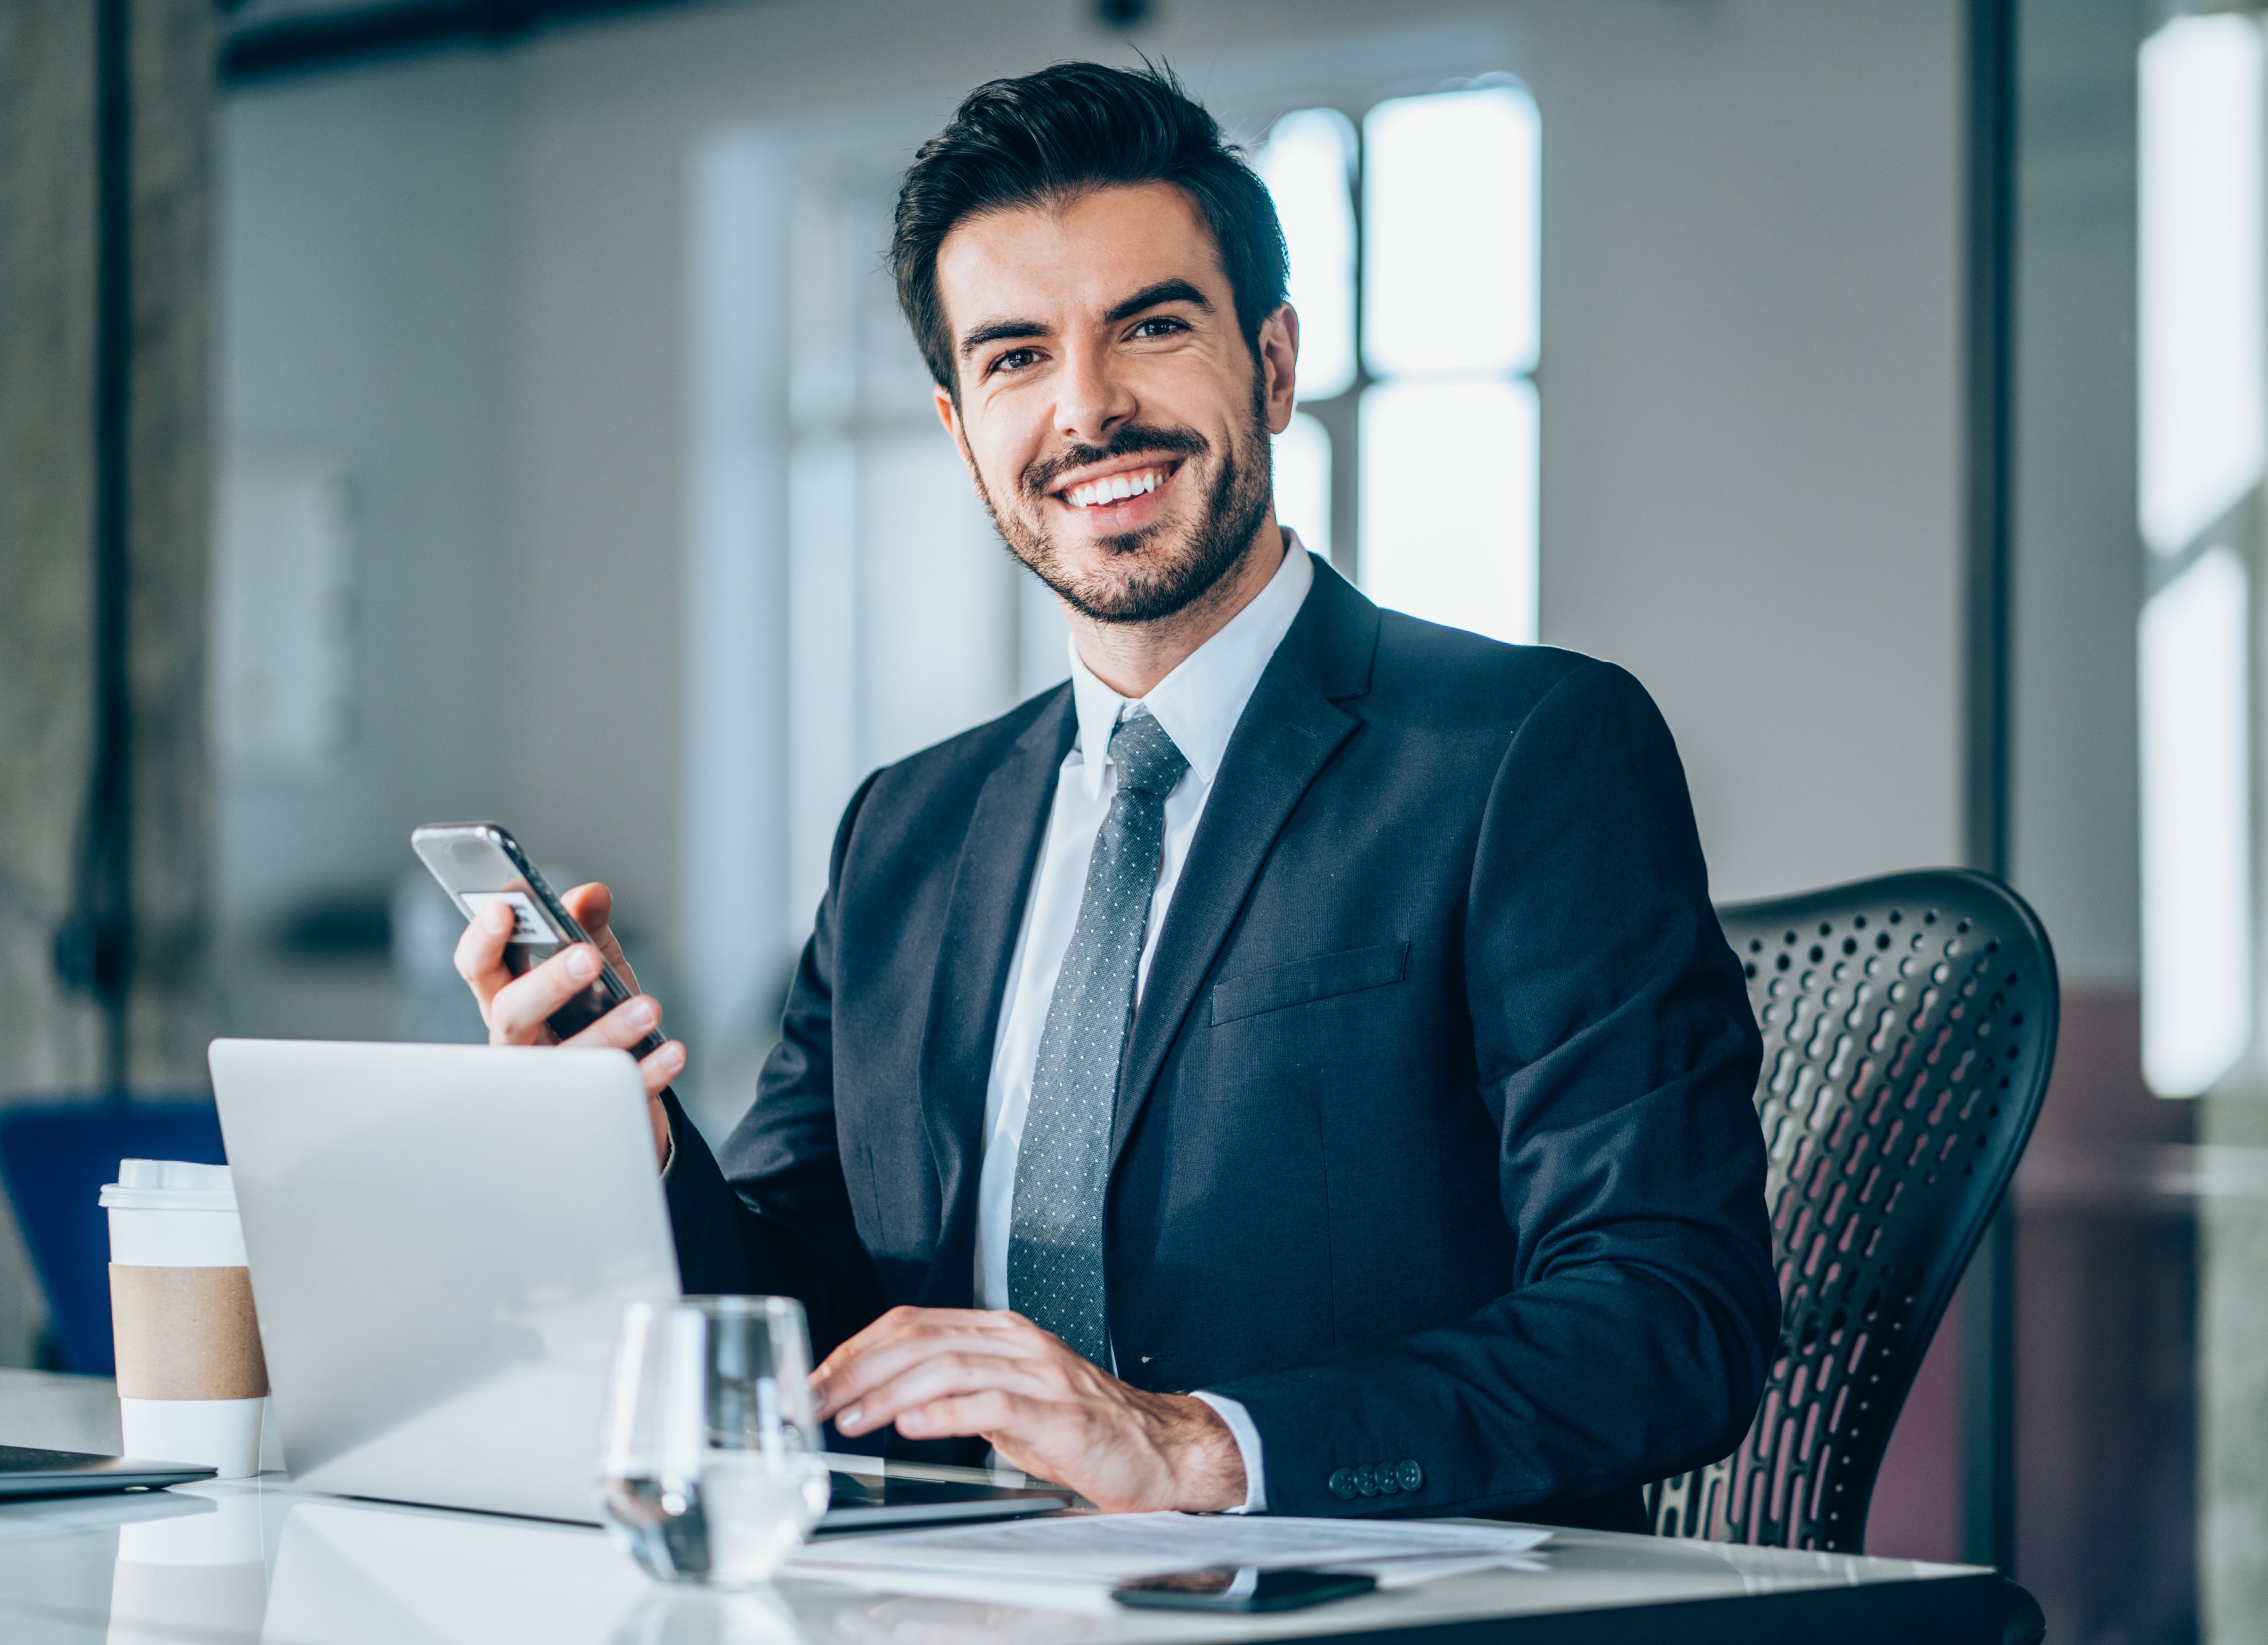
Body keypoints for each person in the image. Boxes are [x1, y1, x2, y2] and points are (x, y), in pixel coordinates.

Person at [457, 61, 1776, 1531]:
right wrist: (629, 1148)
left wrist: (1200, 1447)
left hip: (1370, 1607)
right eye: (1016, 357)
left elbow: (1673, 1319)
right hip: (952, 1600)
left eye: (1150, 327)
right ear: (963, 437)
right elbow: (815, 1328)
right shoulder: (906, 831)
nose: (1089, 410)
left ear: (1272, 365)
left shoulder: (1527, 752)